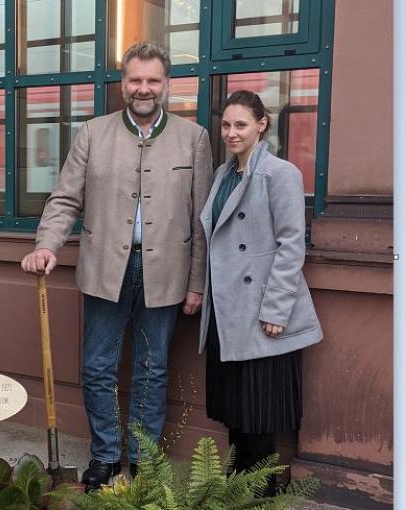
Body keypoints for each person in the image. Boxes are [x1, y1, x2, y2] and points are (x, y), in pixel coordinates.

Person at [21, 41, 213, 489]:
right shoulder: (92, 133)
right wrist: (47, 244)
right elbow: (65, 198)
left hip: (166, 273)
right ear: (122, 83)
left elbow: (201, 218)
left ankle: (144, 461)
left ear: (166, 84)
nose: (142, 88)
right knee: (97, 367)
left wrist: (198, 282)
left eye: (152, 80)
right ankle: (105, 456)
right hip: (105, 269)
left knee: (152, 367)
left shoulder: (194, 138)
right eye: (134, 80)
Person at [199, 90, 322, 494]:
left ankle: (263, 495)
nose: (231, 133)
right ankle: (237, 491)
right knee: (236, 409)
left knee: (260, 410)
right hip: (226, 309)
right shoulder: (222, 174)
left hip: (261, 310)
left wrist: (277, 309)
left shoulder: (280, 173)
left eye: (241, 125)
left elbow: (292, 244)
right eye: (226, 125)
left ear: (261, 125)